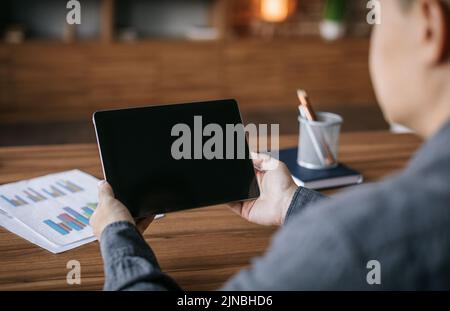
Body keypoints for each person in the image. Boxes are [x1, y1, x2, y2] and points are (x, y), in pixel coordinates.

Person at [90, 0, 450, 290]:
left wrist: (118, 237)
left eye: (377, 16)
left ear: (428, 26)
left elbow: (363, 243)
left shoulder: (346, 242)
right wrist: (290, 203)